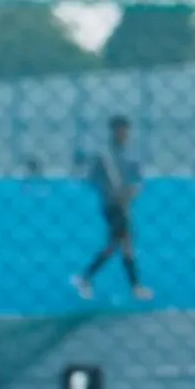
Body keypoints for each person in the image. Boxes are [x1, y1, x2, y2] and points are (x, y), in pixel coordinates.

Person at [70, 115, 153, 301]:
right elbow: (91, 179)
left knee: (121, 244)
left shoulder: (131, 154)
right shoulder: (103, 155)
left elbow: (139, 179)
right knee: (122, 244)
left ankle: (87, 278)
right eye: (120, 130)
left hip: (126, 204)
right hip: (111, 205)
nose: (123, 134)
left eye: (125, 130)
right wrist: (108, 191)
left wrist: (134, 190)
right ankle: (134, 287)